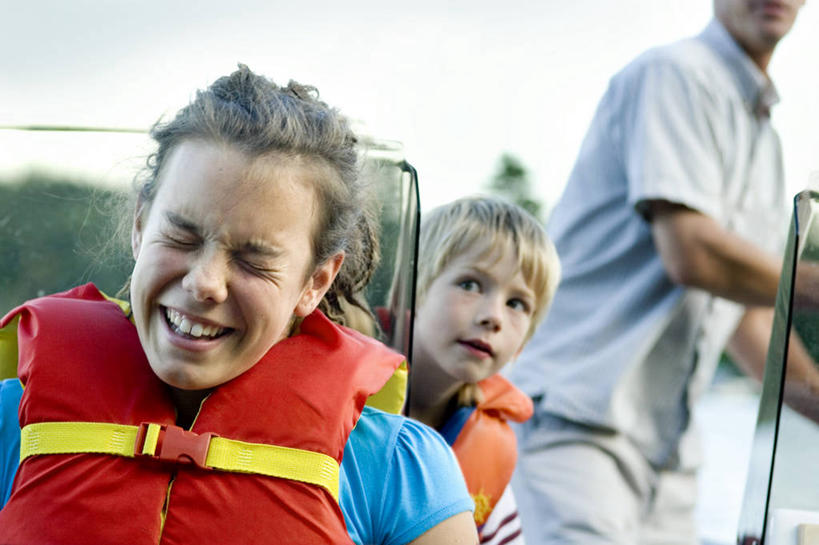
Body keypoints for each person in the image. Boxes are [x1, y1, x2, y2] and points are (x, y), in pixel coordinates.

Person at [0, 65, 477, 544]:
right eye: (181, 236)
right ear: (141, 223)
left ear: (315, 281)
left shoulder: (402, 474)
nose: (205, 282)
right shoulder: (10, 423)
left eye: (253, 260)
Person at [506, 1, 813, 544]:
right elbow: (692, 253)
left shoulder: (767, 141)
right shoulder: (674, 74)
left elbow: (747, 319)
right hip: (580, 431)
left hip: (671, 462)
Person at [409, 196, 561, 545]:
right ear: (415, 286)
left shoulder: (490, 469)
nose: (493, 316)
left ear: (523, 343)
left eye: (516, 304)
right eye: (470, 284)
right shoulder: (347, 405)